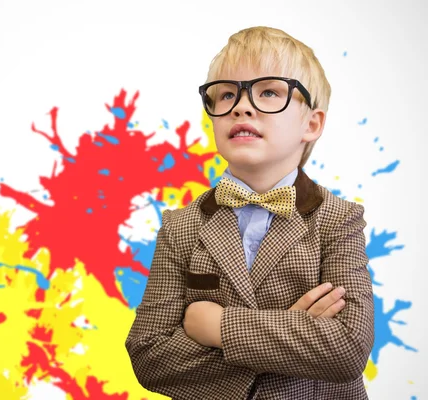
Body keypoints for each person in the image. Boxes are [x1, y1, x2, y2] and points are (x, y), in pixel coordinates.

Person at [124, 26, 374, 400]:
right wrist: (295, 334)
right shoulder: (181, 227)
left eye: (269, 91)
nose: (241, 105)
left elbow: (346, 349)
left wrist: (220, 326)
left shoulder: (338, 221)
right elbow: (149, 355)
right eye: (226, 94)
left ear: (312, 124)